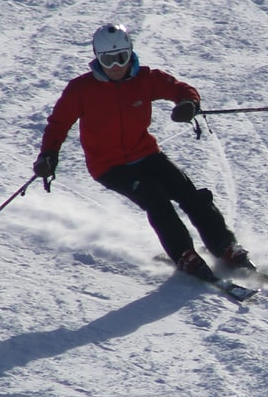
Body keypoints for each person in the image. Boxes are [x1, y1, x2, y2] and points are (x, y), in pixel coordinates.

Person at [32, 24, 250, 282]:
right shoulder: (81, 90)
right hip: (110, 166)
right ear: (97, 59)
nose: (115, 66)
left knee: (189, 193)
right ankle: (183, 254)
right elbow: (58, 125)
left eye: (121, 58)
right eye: (108, 60)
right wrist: (48, 156)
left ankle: (224, 246)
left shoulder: (145, 79)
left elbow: (181, 88)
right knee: (155, 196)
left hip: (147, 153)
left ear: (131, 53)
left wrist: (188, 104)